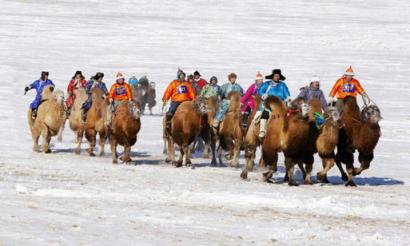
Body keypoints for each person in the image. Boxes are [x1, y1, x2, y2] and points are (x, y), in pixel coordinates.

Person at [257, 69, 291, 138]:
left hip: (280, 104)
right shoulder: (267, 84)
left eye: (278, 76)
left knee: (288, 116)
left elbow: (287, 93)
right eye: (275, 76)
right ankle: (262, 130)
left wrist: (288, 97)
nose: (277, 77)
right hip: (268, 103)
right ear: (272, 76)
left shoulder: (282, 85)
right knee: (265, 113)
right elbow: (260, 90)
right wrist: (263, 95)